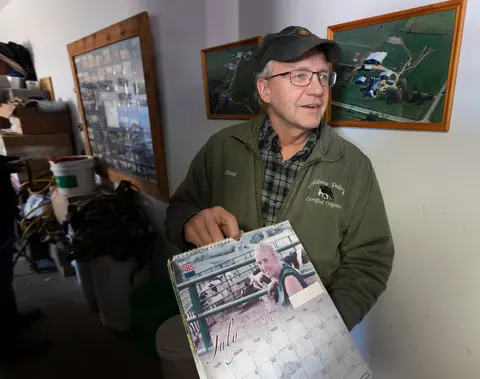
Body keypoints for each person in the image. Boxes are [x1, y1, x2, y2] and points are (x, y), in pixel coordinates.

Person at [165, 26, 395, 331]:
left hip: (307, 339)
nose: (317, 90)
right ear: (265, 90)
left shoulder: (353, 166)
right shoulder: (222, 148)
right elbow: (178, 210)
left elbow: (369, 260)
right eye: (300, 76)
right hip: (234, 334)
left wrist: (331, 324)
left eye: (323, 76)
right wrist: (189, 222)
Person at [254, 242, 308, 307]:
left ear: (275, 256)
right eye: (259, 263)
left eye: (266, 260)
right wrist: (275, 281)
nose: (263, 267)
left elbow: (306, 310)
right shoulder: (280, 276)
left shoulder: (288, 280)